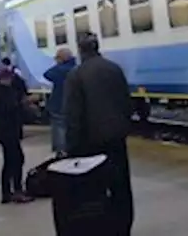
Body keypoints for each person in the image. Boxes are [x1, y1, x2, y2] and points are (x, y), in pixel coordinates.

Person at [64, 32, 134, 236]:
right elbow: (126, 103)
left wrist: (71, 147)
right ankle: (124, 227)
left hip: (90, 143)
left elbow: (73, 115)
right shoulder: (114, 69)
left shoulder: (76, 75)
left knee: (96, 190)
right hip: (116, 138)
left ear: (80, 50)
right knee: (121, 186)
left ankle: (104, 228)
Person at [0, 66, 33, 204]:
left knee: (10, 160)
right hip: (8, 131)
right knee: (16, 159)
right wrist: (24, 103)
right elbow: (9, 109)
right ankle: (17, 191)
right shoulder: (2, 93)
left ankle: (7, 192)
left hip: (3, 131)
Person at [44, 47, 78, 157]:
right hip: (73, 103)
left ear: (62, 58)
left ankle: (61, 151)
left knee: (59, 128)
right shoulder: (76, 68)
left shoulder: (59, 70)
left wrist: (59, 64)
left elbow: (47, 74)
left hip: (58, 103)